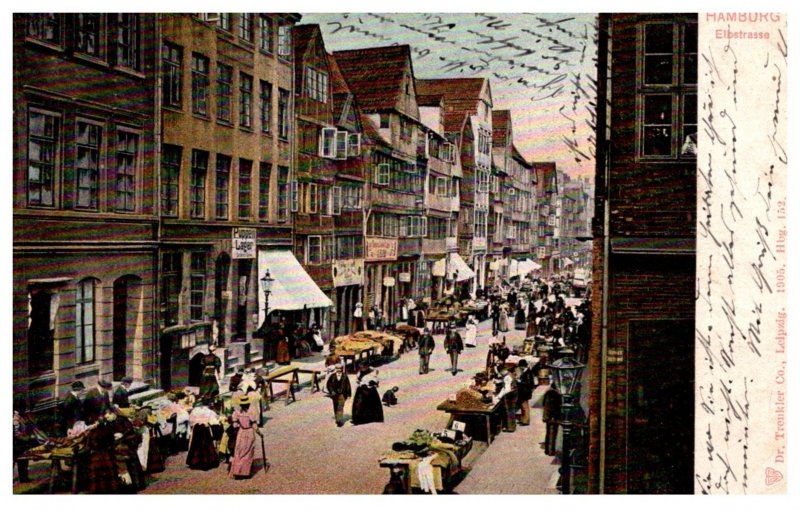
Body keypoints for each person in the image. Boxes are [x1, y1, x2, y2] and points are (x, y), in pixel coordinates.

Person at [229, 396, 259, 478]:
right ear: (248, 404)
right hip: (249, 432)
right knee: (248, 452)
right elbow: (254, 425)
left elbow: (235, 425)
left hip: (241, 432)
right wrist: (260, 434)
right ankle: (245, 472)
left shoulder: (237, 413)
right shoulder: (251, 413)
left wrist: (239, 424)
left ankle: (237, 471)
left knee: (239, 451)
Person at [542, 385, 562, 455]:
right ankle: (550, 451)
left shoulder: (548, 393)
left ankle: (548, 450)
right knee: (552, 433)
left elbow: (544, 404)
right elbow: (553, 406)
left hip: (549, 416)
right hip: (552, 416)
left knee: (549, 433)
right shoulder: (553, 394)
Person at [515, 360, 535, 426]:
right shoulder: (526, 371)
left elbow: (529, 383)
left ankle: (526, 420)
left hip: (525, 392)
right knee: (522, 406)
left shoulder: (528, 372)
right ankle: (523, 419)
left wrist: (520, 381)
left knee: (525, 407)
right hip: (523, 392)